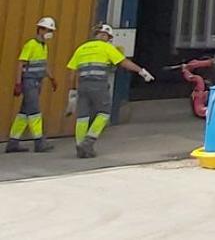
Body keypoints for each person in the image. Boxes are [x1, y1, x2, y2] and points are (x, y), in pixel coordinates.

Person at [65, 23, 154, 158]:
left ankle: (79, 146)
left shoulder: (81, 48)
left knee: (82, 116)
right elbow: (123, 62)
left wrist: (72, 92)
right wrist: (141, 71)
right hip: (98, 85)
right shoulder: (106, 47)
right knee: (104, 113)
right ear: (106, 36)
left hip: (82, 86)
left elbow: (71, 72)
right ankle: (88, 142)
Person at [6, 17, 58, 154]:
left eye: (51, 30)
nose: (50, 33)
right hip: (29, 82)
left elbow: (43, 64)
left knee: (23, 114)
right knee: (34, 112)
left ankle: (13, 143)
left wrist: (51, 78)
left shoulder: (43, 46)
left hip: (37, 82)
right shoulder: (31, 44)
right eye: (48, 30)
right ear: (40, 29)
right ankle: (39, 142)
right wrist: (18, 83)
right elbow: (20, 63)